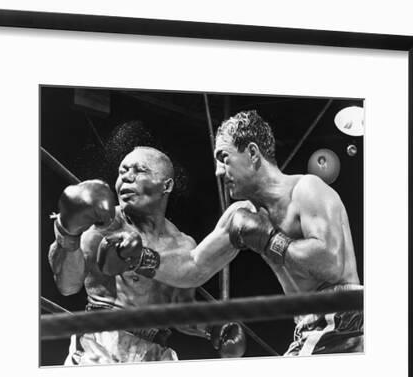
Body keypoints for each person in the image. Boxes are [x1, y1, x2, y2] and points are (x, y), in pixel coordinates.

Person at [141, 111, 363, 356]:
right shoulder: (242, 214)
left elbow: (330, 264)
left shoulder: (307, 189)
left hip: (344, 322)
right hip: (306, 327)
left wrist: (270, 240)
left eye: (224, 158)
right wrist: (140, 257)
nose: (218, 171)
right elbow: (193, 267)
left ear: (253, 154)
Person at [48, 146, 246, 365]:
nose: (127, 179)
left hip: (155, 350)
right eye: (122, 172)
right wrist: (67, 233)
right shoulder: (103, 226)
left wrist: (211, 328)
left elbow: (179, 310)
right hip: (101, 342)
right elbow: (67, 286)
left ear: (166, 185)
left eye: (139, 171)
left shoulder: (182, 244)